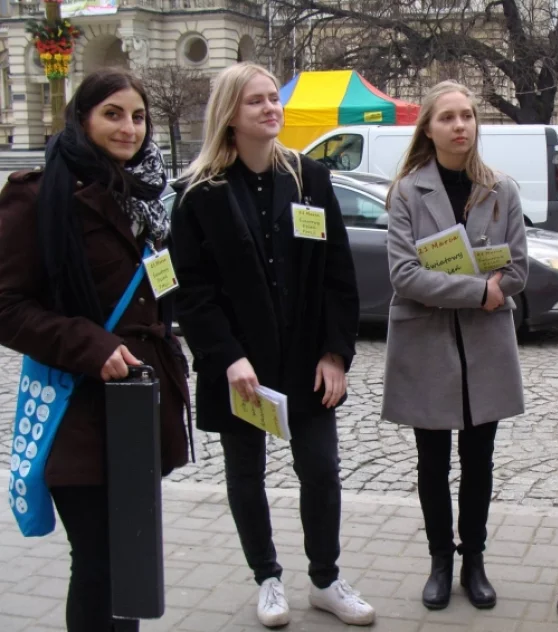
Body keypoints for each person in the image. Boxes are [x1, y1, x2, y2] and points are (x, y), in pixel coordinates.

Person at [171, 62, 375, 628]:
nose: (271, 108)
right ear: (230, 115)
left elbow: (339, 275)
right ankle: (267, 577)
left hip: (306, 359)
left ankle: (327, 579)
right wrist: (226, 355)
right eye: (256, 101)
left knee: (323, 471)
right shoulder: (199, 193)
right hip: (240, 367)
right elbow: (191, 292)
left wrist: (336, 353)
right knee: (245, 475)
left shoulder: (310, 178)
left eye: (272, 99)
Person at [0, 68, 190, 631]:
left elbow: (160, 293)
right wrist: (90, 345)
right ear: (82, 118)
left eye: (137, 116)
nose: (129, 128)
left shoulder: (148, 197)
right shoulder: (38, 196)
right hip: (78, 408)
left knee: (127, 562)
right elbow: (6, 305)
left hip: (139, 406)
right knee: (99, 563)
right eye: (112, 114)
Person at [381, 80, 528, 611]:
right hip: (427, 344)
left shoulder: (501, 190)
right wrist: (477, 290)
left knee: (480, 460)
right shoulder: (405, 191)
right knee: (432, 461)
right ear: (429, 128)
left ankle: (475, 561)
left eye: (467, 115)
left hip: (485, 345)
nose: (460, 125)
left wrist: (489, 289)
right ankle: (440, 559)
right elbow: (404, 275)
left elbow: (516, 271)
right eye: (448, 117)